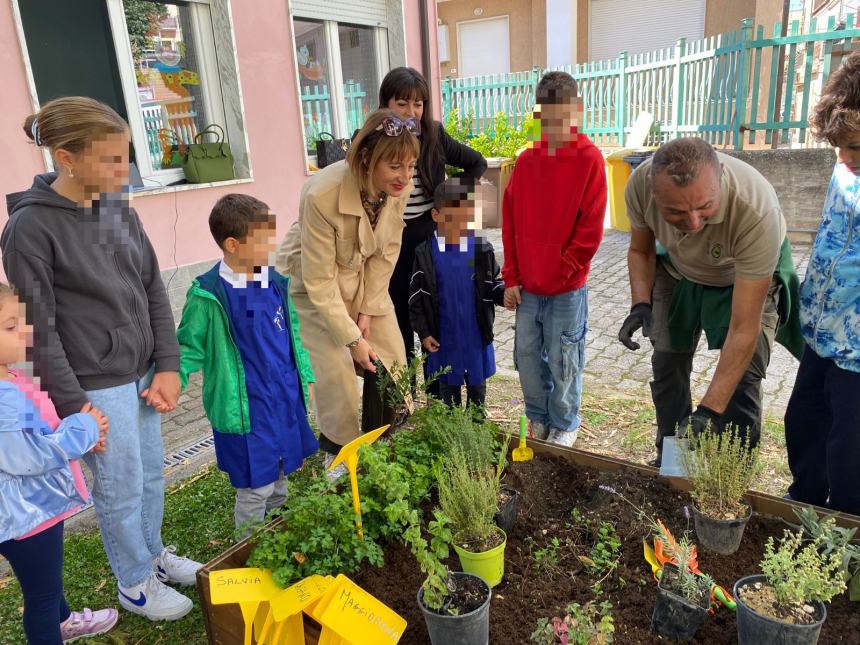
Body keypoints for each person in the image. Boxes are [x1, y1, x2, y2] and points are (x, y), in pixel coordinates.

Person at [2, 97, 202, 622]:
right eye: (111, 160)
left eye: (126, 157)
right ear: (66, 158)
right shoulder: (29, 230)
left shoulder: (115, 206)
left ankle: (154, 555)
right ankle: (134, 582)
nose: (125, 171)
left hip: (141, 370)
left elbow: (152, 288)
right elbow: (38, 332)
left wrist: (168, 362)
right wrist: (76, 407)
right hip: (94, 384)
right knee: (118, 486)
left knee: (150, 474)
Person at [618, 136, 803, 467]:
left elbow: (744, 328)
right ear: (653, 188)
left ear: (720, 174)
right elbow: (641, 249)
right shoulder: (639, 186)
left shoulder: (756, 209)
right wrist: (640, 303)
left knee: (742, 378)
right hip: (679, 271)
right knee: (667, 367)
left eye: (704, 207)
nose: (693, 223)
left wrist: (709, 410)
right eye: (674, 211)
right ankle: (675, 465)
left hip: (740, 279)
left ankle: (731, 476)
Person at [276, 109, 418, 472]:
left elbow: (387, 252)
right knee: (335, 370)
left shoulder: (398, 188)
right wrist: (353, 339)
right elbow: (320, 282)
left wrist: (368, 311)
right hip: (312, 282)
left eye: (411, 166)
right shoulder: (322, 194)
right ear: (368, 158)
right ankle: (339, 453)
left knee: (392, 356)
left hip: (361, 278)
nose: (405, 177)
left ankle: (382, 438)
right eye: (396, 166)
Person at [177, 194, 318, 535]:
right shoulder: (207, 296)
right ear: (233, 244)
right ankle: (249, 549)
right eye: (263, 239)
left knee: (281, 476)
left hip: (282, 400)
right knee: (257, 487)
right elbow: (187, 348)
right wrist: (172, 380)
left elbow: (293, 334)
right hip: (245, 412)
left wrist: (306, 377)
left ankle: (278, 536)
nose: (271, 246)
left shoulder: (274, 282)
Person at [0, 283, 119, 644]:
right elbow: (30, 455)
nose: (25, 331)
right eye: (9, 326)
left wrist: (79, 432)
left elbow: (43, 431)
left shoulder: (11, 377)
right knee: (42, 596)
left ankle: (64, 621)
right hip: (27, 515)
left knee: (43, 580)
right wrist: (85, 428)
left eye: (22, 321)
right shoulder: (3, 398)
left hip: (27, 510)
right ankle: (53, 628)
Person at [502, 71, 608, 447]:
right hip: (528, 288)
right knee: (527, 358)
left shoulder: (590, 160)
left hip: (566, 289)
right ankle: (538, 417)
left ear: (576, 111)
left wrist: (561, 270)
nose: (554, 127)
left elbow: (591, 230)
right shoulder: (527, 161)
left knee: (565, 359)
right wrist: (511, 277)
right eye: (547, 119)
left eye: (562, 118)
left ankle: (565, 422)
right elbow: (510, 222)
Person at [784, 50, 860, 516]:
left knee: (849, 450)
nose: (846, 157)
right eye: (841, 146)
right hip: (823, 330)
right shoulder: (843, 169)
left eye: (858, 147)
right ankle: (803, 506)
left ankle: (848, 534)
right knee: (805, 421)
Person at [377, 68, 487, 389]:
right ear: (385, 104)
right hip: (389, 242)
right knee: (396, 319)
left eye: (419, 104)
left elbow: (476, 162)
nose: (412, 112)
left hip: (428, 238)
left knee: (431, 315)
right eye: (402, 103)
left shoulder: (434, 135)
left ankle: (438, 393)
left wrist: (449, 198)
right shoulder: (373, 139)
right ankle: (402, 398)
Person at [408, 177, 504, 415]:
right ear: (436, 215)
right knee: (448, 390)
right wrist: (424, 332)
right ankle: (452, 432)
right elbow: (416, 297)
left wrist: (505, 295)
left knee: (477, 390)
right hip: (443, 338)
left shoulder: (481, 250)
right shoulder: (426, 254)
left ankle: (477, 429)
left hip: (475, 335)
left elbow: (494, 283)